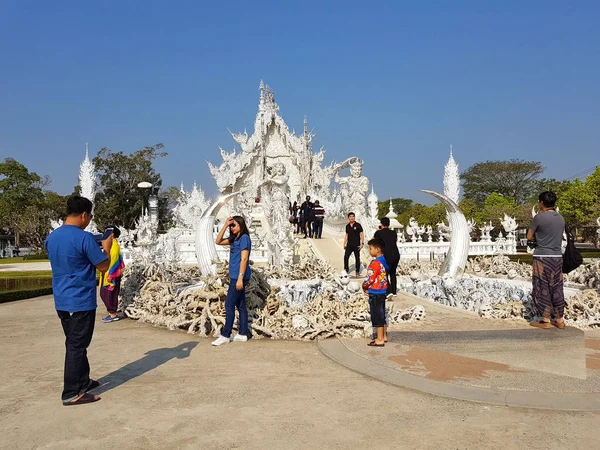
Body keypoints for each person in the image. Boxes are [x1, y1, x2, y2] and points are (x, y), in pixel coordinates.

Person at [44, 196, 111, 406]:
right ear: (84, 214)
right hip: (80, 300)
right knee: (76, 345)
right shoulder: (84, 238)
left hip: (62, 300)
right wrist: (107, 247)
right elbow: (102, 266)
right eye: (89, 216)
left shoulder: (52, 237)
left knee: (76, 342)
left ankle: (83, 380)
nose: (89, 220)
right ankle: (72, 392)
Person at [527, 191, 566, 329]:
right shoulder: (561, 218)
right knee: (557, 287)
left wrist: (538, 237)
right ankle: (560, 320)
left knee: (542, 286)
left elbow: (529, 236)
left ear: (542, 203)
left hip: (542, 257)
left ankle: (545, 320)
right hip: (557, 257)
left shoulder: (539, 218)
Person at [212, 215, 252, 346]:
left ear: (241, 225)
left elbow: (244, 259)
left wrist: (240, 277)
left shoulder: (244, 238)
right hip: (235, 276)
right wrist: (224, 225)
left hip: (239, 277)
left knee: (229, 304)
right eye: (231, 226)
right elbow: (218, 241)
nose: (232, 228)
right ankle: (243, 333)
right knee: (241, 305)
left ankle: (225, 335)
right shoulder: (234, 239)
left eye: (234, 225)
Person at [362, 238, 389, 346]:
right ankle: (384, 336)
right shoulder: (384, 260)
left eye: (371, 249)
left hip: (375, 291)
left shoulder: (375, 263)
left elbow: (371, 278)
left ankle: (379, 339)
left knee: (377, 315)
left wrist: (364, 285)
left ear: (377, 249)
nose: (370, 251)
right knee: (382, 313)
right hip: (382, 290)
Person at [100, 226, 125, 323]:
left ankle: (113, 314)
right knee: (105, 294)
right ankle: (112, 313)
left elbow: (114, 260)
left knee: (109, 294)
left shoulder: (114, 245)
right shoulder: (110, 244)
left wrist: (111, 274)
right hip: (107, 273)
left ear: (112, 234)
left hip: (111, 275)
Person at [374, 217, 400, 298]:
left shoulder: (379, 233)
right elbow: (394, 241)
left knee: (383, 273)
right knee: (393, 273)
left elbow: (374, 241)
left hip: (386, 255)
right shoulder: (393, 232)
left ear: (381, 224)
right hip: (395, 254)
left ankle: (388, 291)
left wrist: (378, 231)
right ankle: (394, 291)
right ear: (389, 224)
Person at [343, 212, 364, 276]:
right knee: (346, 257)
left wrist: (362, 243)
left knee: (357, 258)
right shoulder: (347, 226)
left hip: (356, 245)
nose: (352, 218)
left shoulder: (358, 225)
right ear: (348, 218)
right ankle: (346, 270)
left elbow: (361, 234)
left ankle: (357, 271)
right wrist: (344, 243)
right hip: (349, 245)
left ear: (354, 217)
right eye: (350, 216)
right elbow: (347, 235)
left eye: (353, 216)